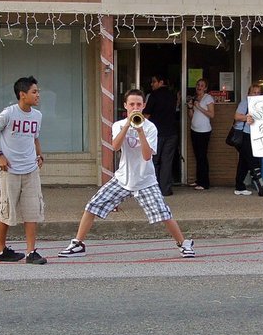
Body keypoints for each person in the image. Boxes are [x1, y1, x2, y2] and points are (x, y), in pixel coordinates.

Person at [58, 89, 195, 258]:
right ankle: (78, 243)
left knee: (163, 214)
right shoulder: (118, 125)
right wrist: (127, 126)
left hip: (145, 180)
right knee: (92, 206)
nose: (135, 108)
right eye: (132, 104)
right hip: (123, 178)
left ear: (144, 105)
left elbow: (146, 155)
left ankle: (183, 243)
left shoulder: (151, 128)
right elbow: (115, 147)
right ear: (125, 106)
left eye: (138, 104)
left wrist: (140, 131)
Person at [0, 76, 47, 265]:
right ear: (22, 94)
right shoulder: (8, 114)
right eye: (34, 92)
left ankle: (31, 252)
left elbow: (34, 137)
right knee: (7, 209)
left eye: (38, 91)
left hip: (30, 169)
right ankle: (0, 249)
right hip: (10, 170)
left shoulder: (37, 116)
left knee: (32, 209)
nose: (38, 95)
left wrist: (40, 154)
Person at [233, 85, 263, 196]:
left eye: (258, 92)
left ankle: (239, 186)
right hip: (244, 134)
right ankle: (261, 187)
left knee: (244, 162)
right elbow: (236, 116)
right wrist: (247, 118)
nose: (256, 94)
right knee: (252, 160)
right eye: (254, 92)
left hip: (253, 135)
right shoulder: (245, 102)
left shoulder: (260, 105)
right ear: (249, 94)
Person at [143, 74, 177, 196]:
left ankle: (154, 189)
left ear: (161, 82)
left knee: (154, 161)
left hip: (156, 133)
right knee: (167, 162)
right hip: (172, 132)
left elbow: (146, 115)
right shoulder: (173, 95)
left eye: (154, 82)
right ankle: (166, 189)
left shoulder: (154, 96)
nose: (152, 84)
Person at [187, 78, 215, 190]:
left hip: (204, 131)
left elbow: (212, 114)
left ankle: (204, 183)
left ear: (206, 88)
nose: (199, 87)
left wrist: (199, 107)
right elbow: (191, 116)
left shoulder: (208, 98)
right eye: (198, 84)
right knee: (198, 156)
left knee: (202, 156)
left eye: (202, 85)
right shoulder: (195, 98)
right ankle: (199, 180)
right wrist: (190, 107)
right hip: (194, 130)